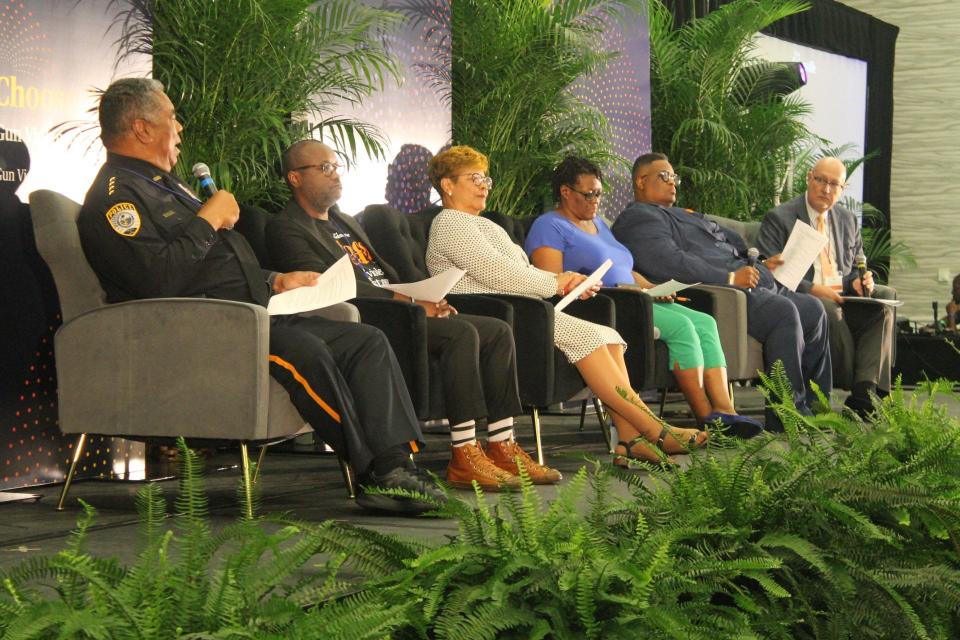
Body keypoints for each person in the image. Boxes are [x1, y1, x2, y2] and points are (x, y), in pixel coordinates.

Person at [76, 77, 445, 516]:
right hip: (202, 327)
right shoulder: (117, 196)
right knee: (305, 351)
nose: (180, 130)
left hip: (248, 313)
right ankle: (374, 473)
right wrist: (207, 220)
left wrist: (275, 280)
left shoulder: (161, 185)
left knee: (366, 341)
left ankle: (395, 465)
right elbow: (159, 279)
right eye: (172, 119)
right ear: (141, 128)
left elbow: (211, 267)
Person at [265, 139, 561, 490]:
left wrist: (427, 297)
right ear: (295, 178)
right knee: (462, 334)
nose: (335, 176)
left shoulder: (344, 221)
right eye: (324, 168)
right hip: (369, 318)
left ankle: (501, 444)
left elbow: (386, 272)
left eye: (337, 166)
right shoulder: (286, 227)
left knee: (496, 330)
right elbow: (331, 288)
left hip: (399, 307)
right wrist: (407, 302)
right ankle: (465, 455)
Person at [425, 145, 709, 466]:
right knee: (592, 338)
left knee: (608, 337)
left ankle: (630, 440)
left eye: (486, 179)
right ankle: (654, 429)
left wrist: (571, 281)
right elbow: (498, 273)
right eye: (474, 178)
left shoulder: (487, 225)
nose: (483, 186)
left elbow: (522, 271)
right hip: (497, 315)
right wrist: (557, 283)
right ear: (447, 185)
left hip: (525, 309)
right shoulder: (449, 223)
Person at [525, 156, 762, 437]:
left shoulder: (600, 225)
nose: (595, 201)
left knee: (705, 322)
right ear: (566, 192)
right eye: (588, 194)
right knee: (682, 326)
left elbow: (624, 268)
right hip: (604, 305)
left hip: (634, 299)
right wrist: (628, 293)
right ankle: (706, 418)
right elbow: (554, 284)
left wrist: (651, 288)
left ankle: (725, 411)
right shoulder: (549, 226)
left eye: (599, 194)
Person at [612, 153, 831, 430]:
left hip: (752, 281)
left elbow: (732, 241)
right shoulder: (638, 218)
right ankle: (788, 414)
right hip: (719, 292)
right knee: (782, 312)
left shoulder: (684, 214)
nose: (674, 183)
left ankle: (816, 408)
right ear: (641, 181)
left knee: (814, 310)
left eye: (675, 178)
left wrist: (759, 263)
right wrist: (729, 276)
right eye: (665, 177)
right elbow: (671, 262)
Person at [757, 157, 896, 417]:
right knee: (825, 307)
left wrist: (859, 280)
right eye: (821, 180)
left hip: (841, 293)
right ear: (809, 178)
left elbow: (855, 265)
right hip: (803, 295)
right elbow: (770, 270)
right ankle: (847, 387)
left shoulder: (846, 220)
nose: (826, 189)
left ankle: (864, 393)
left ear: (843, 189)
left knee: (883, 303)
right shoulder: (780, 217)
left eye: (835, 184)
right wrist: (812, 289)